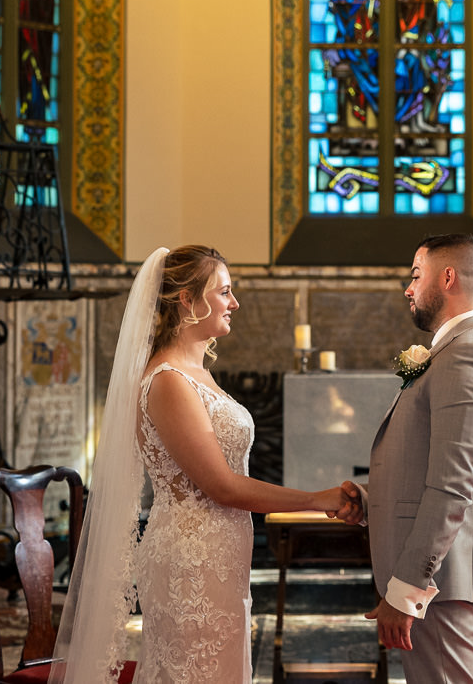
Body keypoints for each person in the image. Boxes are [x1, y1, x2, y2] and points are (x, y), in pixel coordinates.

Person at [49, 246, 354, 684]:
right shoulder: (169, 381)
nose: (235, 303)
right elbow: (223, 486)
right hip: (191, 560)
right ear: (187, 301)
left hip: (219, 553)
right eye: (224, 292)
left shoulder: (197, 373)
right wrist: (315, 499)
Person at [338, 234, 473, 684]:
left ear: (448, 277)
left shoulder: (469, 355)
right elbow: (431, 468)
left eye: (416, 276)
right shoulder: (457, 353)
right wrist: (370, 498)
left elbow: (453, 487)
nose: (408, 288)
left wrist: (407, 590)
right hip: (439, 577)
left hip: (439, 580)